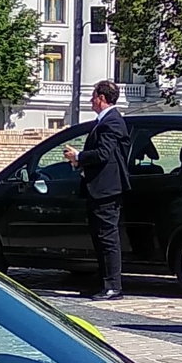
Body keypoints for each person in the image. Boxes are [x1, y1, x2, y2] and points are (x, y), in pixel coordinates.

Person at [66, 80, 130, 300]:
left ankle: (113, 286)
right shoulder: (105, 121)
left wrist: (79, 156)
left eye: (93, 96)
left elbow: (103, 153)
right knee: (99, 236)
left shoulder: (111, 122)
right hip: (99, 189)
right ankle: (104, 282)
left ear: (102, 98)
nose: (91, 100)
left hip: (107, 190)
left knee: (108, 237)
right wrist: (80, 163)